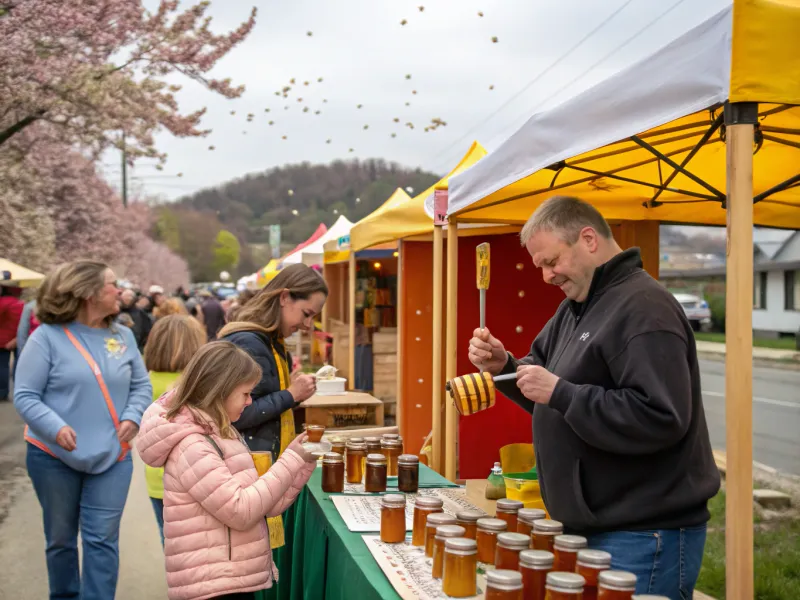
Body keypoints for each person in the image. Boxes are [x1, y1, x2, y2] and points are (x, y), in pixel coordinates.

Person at [468, 196, 720, 599]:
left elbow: (660, 417)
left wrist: (561, 392)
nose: (547, 276)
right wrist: (505, 366)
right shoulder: (575, 308)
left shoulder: (645, 309)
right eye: (541, 267)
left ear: (588, 239)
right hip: (594, 529)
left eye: (552, 262)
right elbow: (547, 390)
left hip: (642, 534)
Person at [13, 260, 152, 600]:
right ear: (87, 293)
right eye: (111, 284)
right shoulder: (45, 338)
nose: (119, 290)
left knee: (102, 540)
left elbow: (141, 386)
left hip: (112, 457)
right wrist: (55, 427)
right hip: (53, 457)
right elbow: (25, 394)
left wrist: (133, 416)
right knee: (60, 540)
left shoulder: (122, 335)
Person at [136, 341, 317, 600]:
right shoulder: (193, 446)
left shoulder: (220, 431)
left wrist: (302, 462)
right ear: (219, 391)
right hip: (214, 587)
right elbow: (241, 511)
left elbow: (266, 506)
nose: (249, 401)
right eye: (245, 394)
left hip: (227, 579)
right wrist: (291, 459)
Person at [217, 263, 325, 593]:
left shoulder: (266, 340)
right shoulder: (251, 342)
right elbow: (239, 415)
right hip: (251, 468)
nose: (307, 325)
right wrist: (292, 395)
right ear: (284, 297)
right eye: (306, 314)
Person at [141, 314, 207, 545]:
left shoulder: (145, 382)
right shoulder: (199, 384)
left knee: (170, 546)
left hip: (157, 479)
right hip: (196, 478)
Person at [0, 286, 23, 401]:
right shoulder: (21, 304)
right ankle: (20, 391)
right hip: (19, 337)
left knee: (2, 366)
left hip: (3, 339)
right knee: (18, 365)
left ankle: (2, 392)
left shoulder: (3, 303)